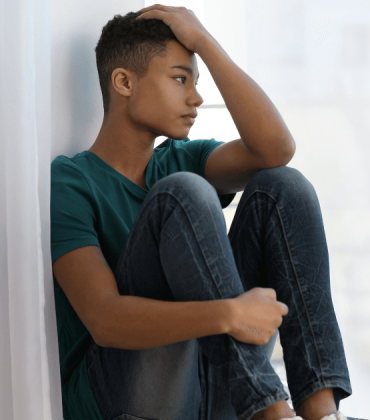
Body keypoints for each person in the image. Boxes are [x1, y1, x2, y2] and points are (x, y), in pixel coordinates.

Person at [50, 5, 353, 420]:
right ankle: (272, 412)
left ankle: (322, 414)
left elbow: (276, 149)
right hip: (125, 397)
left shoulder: (183, 157)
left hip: (212, 385)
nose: (196, 97)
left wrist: (204, 42)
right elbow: (105, 320)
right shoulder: (71, 181)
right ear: (123, 82)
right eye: (180, 79)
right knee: (183, 193)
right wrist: (228, 315)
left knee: (285, 186)